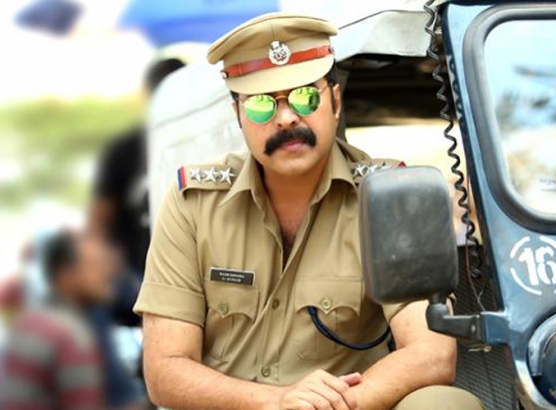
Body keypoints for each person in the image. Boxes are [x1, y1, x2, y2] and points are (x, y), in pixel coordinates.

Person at [134, 13, 485, 410]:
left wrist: (333, 406)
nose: (286, 117)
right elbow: (166, 369)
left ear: (335, 101)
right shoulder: (193, 204)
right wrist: (278, 402)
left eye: (305, 96)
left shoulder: (391, 196)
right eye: (262, 105)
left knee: (445, 404)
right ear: (238, 116)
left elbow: (431, 353)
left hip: (353, 405)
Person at [90, 57, 185, 327]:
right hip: (137, 279)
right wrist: (107, 276)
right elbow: (100, 219)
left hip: (188, 273)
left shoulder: (200, 143)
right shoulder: (125, 150)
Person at [1, 230, 119, 410]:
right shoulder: (70, 336)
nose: (107, 273)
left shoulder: (28, 321)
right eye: (95, 265)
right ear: (65, 274)